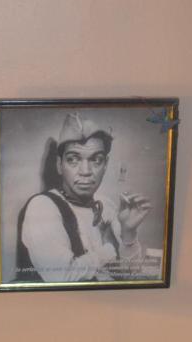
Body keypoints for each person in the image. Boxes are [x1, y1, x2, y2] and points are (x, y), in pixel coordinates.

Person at [15, 113, 152, 283]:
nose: (86, 171)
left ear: (106, 165)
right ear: (59, 165)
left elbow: (130, 276)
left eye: (96, 160)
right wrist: (110, 248)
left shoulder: (106, 205)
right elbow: (61, 276)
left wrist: (128, 233)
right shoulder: (42, 207)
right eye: (73, 159)